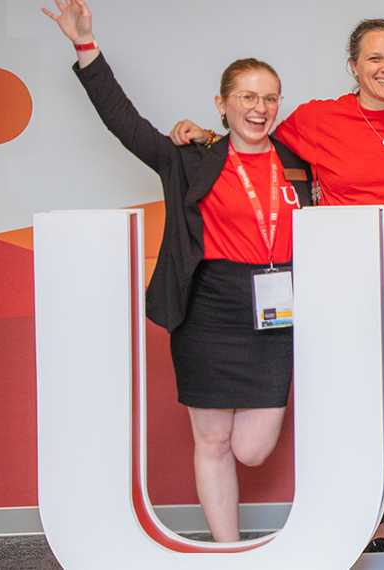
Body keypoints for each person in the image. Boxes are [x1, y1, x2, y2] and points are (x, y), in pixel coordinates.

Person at [43, 0, 313, 543]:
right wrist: (85, 46)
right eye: (247, 97)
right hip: (208, 311)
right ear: (222, 102)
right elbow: (125, 123)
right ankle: (227, 549)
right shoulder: (190, 157)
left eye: (269, 97)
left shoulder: (298, 161)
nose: (259, 108)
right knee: (212, 441)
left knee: (253, 448)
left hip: (276, 308)